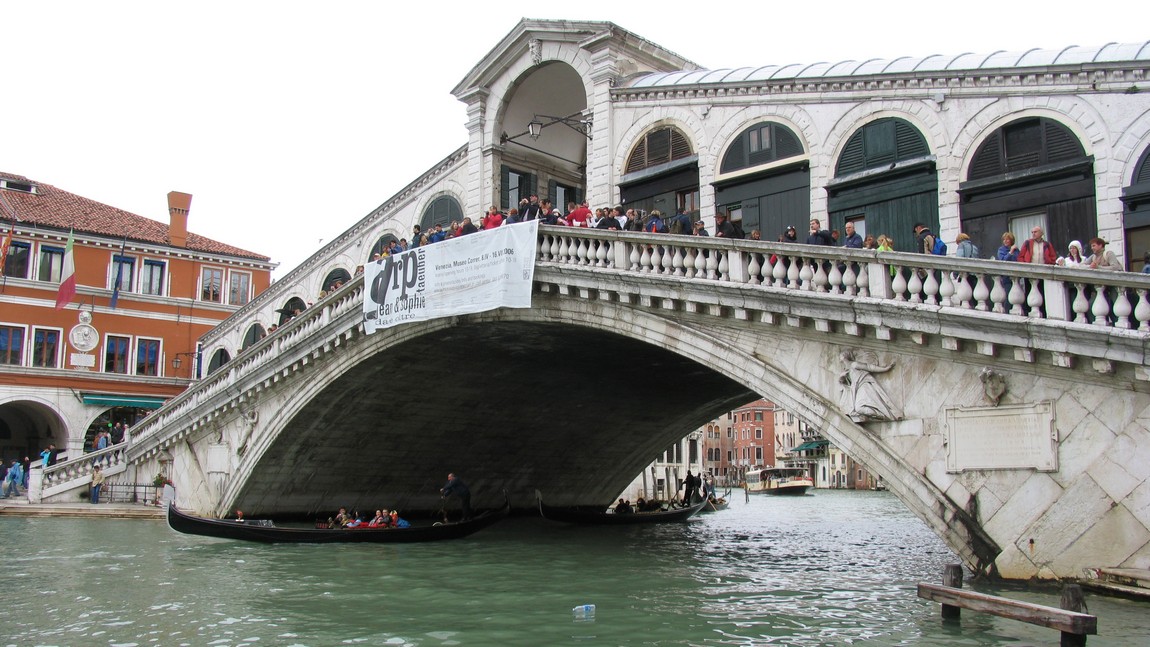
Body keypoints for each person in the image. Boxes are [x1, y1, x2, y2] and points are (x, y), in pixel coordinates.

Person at [838, 349, 902, 422]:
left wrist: (884, 369)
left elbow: (869, 367)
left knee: (859, 408)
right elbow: (844, 386)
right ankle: (878, 415)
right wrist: (841, 378)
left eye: (841, 355)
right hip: (855, 390)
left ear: (845, 356)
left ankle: (882, 414)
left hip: (863, 386)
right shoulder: (845, 370)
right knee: (858, 408)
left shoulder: (854, 364)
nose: (839, 357)